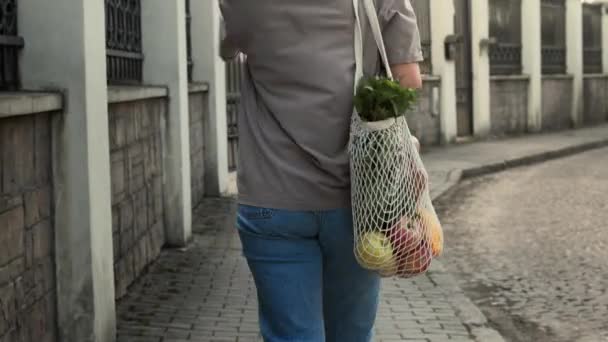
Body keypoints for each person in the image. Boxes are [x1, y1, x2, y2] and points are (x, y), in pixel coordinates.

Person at [219, 1, 423, 341]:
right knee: (352, 334)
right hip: (359, 200)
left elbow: (230, 46)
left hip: (273, 197)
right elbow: (408, 79)